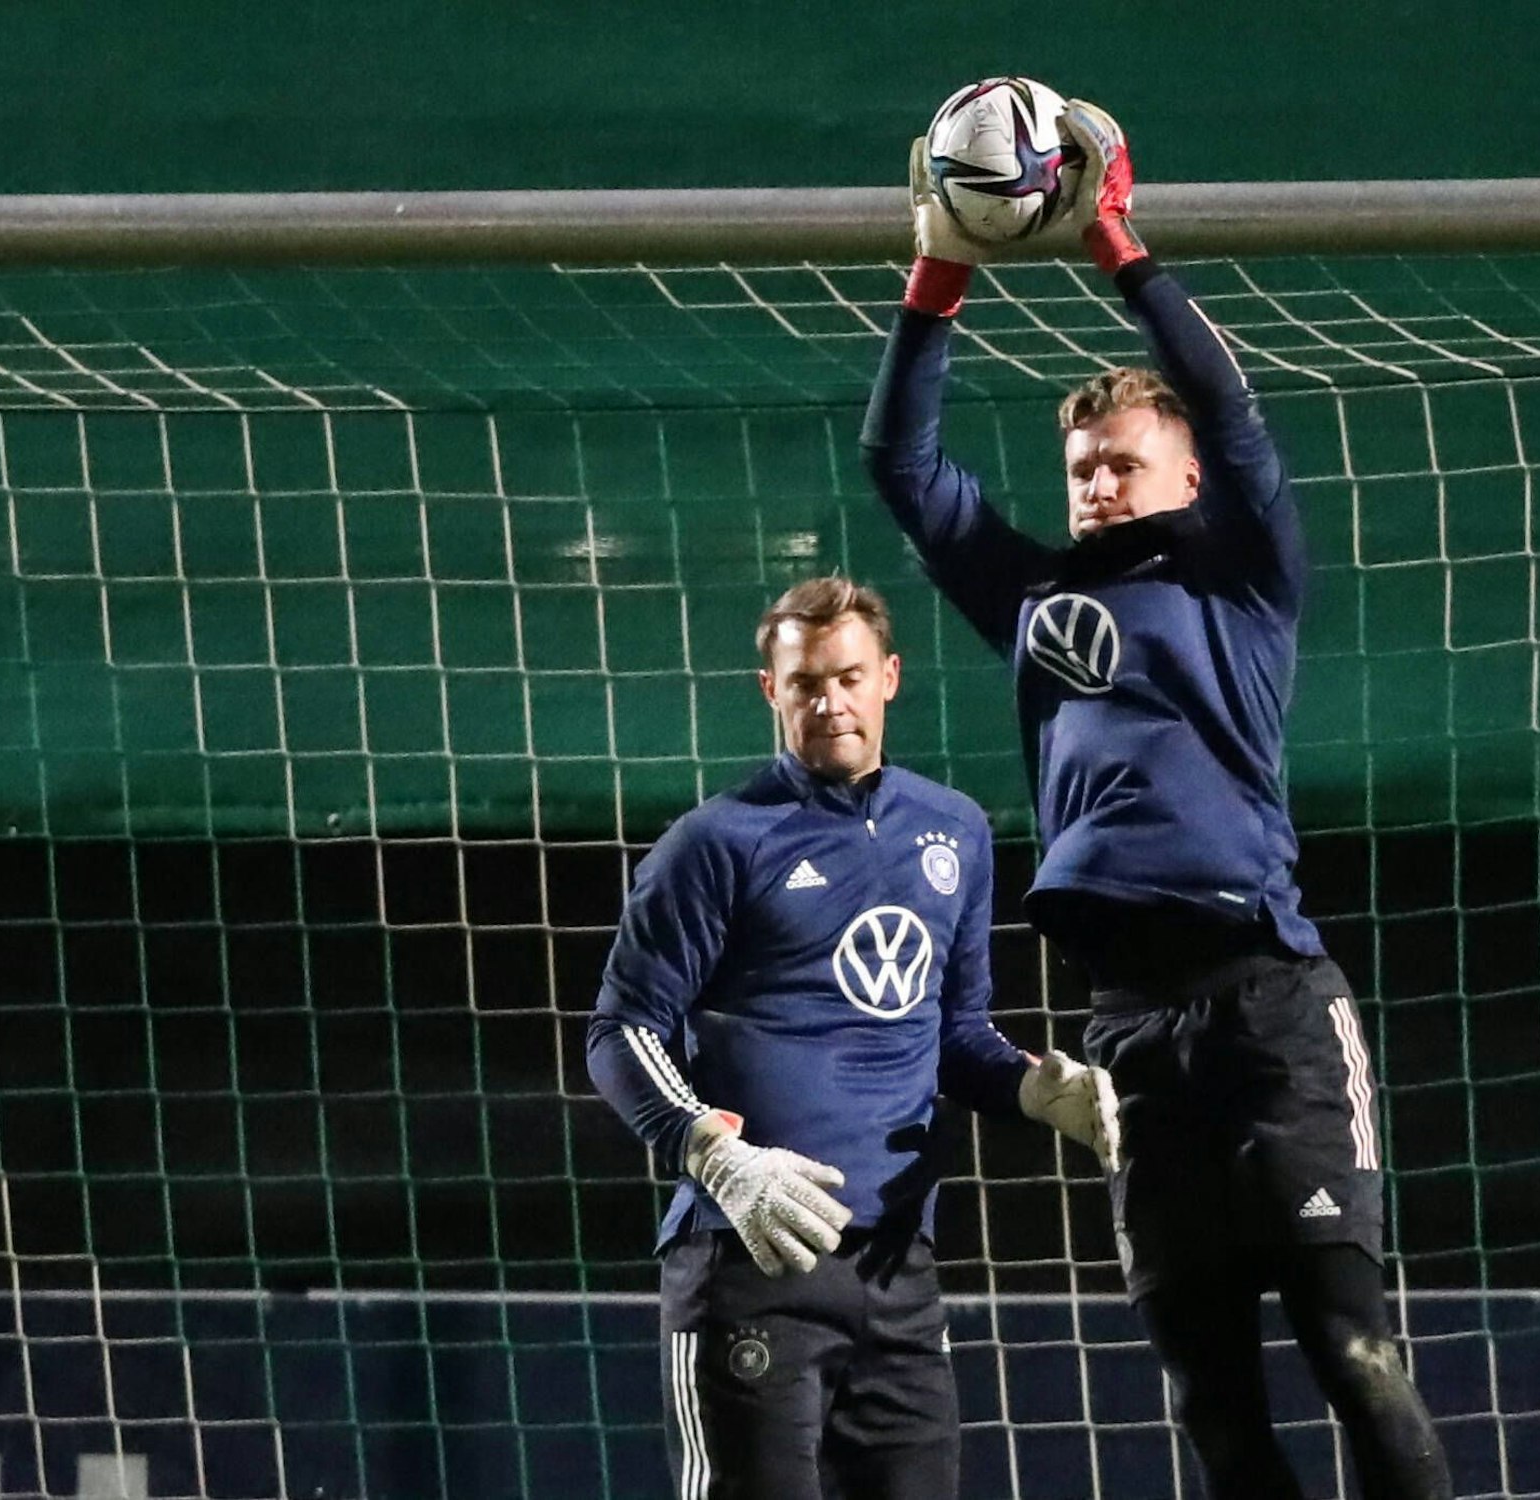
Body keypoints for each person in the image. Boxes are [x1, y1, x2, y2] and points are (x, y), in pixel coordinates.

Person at [862, 103, 1454, 1500]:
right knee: (1210, 1403)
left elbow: (1232, 408)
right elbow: (902, 466)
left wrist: (1118, 246)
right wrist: (940, 269)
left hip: (1268, 1006)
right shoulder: (1032, 597)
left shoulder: (1242, 576)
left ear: (1185, 476)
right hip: (1129, 1030)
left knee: (1354, 1353)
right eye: (1081, 471)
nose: (1097, 485)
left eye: (1122, 462)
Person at [585, 575, 1117, 1500]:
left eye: (848, 677)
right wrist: (716, 1156)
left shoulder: (956, 830)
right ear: (772, 691)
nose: (829, 702)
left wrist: (1034, 1090)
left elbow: (958, 1034)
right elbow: (618, 1032)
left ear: (890, 678)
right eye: (805, 684)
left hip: (898, 1272)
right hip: (751, 1259)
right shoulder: (715, 843)